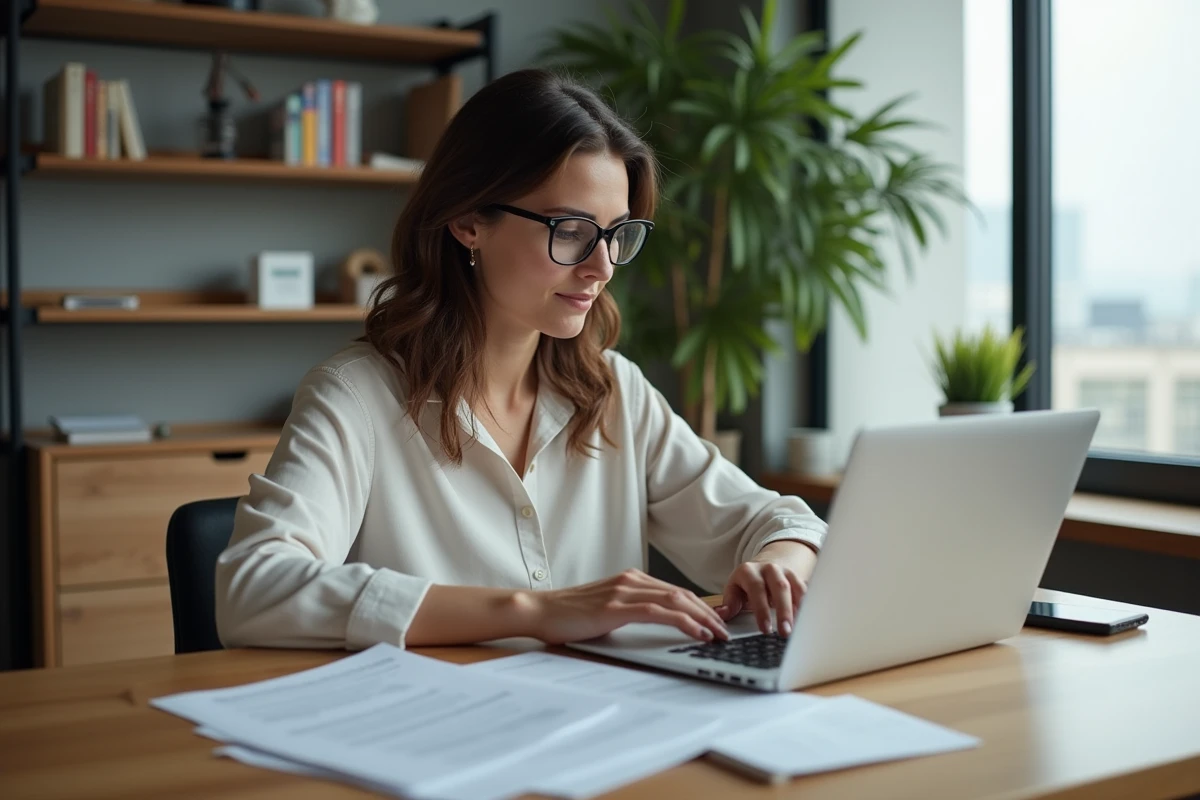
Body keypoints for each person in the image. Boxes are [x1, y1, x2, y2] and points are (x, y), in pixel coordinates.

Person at [215, 69, 827, 652]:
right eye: (570, 229)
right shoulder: (355, 396)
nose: (602, 266)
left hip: (605, 727)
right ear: (467, 220)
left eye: (616, 233)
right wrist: (534, 612)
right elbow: (254, 588)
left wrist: (778, 567)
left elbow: (783, 524)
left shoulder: (614, 391)